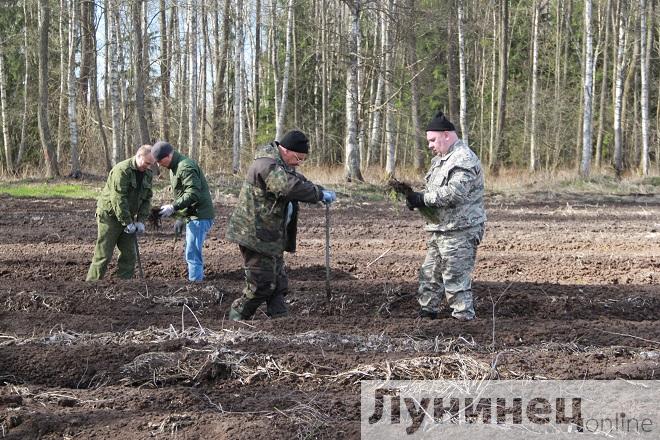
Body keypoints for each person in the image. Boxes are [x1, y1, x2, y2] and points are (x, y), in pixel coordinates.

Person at [225, 130, 337, 320]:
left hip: (271, 235)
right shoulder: (266, 165)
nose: (299, 163)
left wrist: (319, 189)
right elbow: (288, 186)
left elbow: (298, 180)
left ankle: (280, 319)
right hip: (255, 235)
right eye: (298, 158)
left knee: (278, 281)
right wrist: (318, 195)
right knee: (261, 284)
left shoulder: (280, 164)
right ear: (285, 150)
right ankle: (235, 318)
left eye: (303, 160)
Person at [405, 111, 486, 321]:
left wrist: (423, 199)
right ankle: (427, 315)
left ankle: (463, 323)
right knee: (429, 276)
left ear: (447, 135)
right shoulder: (441, 160)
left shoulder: (463, 158)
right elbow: (435, 191)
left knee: (455, 280)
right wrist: (417, 200)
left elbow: (454, 193)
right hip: (440, 229)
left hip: (460, 230)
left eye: (433, 140)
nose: (430, 145)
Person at [86, 145, 155, 281]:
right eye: (147, 163)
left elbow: (147, 198)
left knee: (129, 254)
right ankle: (91, 285)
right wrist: (127, 222)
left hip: (128, 217)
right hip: (110, 215)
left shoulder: (147, 174)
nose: (148, 166)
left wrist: (141, 220)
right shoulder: (122, 170)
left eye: (151, 164)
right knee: (104, 254)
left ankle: (124, 285)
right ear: (138, 156)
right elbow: (118, 198)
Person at [152, 141, 215, 282]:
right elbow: (183, 194)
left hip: (199, 215)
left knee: (192, 252)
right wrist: (180, 216)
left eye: (159, 161)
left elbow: (193, 193)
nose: (158, 164)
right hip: (192, 214)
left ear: (168, 156)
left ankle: (195, 284)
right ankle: (195, 278)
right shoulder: (174, 167)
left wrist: (173, 207)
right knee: (190, 249)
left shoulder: (185, 167)